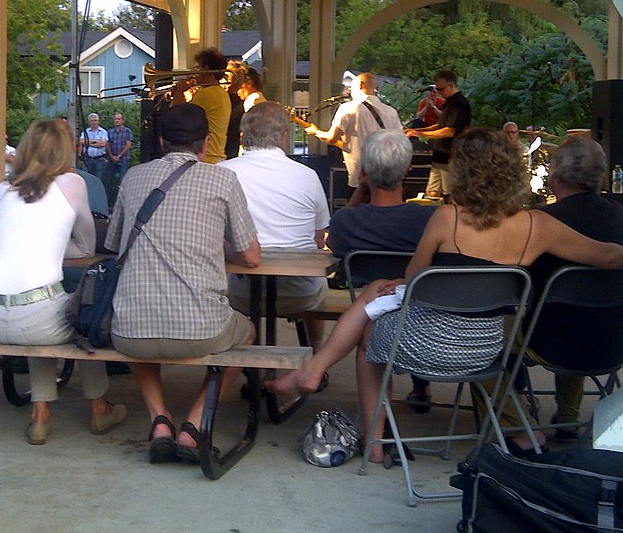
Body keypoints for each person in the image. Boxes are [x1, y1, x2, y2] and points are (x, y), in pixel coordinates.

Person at [268, 127, 623, 461]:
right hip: (489, 350)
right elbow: (607, 255)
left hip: (427, 346)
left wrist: (400, 284)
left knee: (370, 333)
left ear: (462, 171)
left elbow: (415, 279)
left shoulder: (447, 217)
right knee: (379, 302)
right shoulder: (538, 224)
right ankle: (323, 382)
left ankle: (373, 439)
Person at [105, 103, 260, 464]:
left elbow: (113, 243)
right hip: (201, 328)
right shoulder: (223, 180)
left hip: (128, 330)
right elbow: (251, 256)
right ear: (205, 143)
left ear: (161, 142)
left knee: (139, 321)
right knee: (249, 332)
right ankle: (193, 425)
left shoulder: (133, 177)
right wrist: (216, 242)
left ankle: (160, 421)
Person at [0, 119, 126, 445]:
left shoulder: (2, 189)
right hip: (36, 318)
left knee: (42, 311)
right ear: (64, 150)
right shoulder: (73, 183)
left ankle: (41, 413)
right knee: (82, 321)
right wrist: (52, 245)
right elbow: (86, 247)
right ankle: (99, 408)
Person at [523, 135, 623, 438]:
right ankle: (567, 416)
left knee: (501, 323)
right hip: (613, 343)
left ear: (555, 174)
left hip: (553, 345)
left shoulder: (543, 220)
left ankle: (517, 418)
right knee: (576, 309)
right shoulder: (618, 214)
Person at [326, 130, 437, 409]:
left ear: (364, 172)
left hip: (369, 312)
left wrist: (359, 192)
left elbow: (333, 239)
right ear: (407, 170)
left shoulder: (346, 221)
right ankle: (421, 386)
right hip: (422, 319)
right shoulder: (430, 219)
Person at [219, 101, 330, 350]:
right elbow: (318, 239)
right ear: (283, 136)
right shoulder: (308, 176)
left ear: (243, 136)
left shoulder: (220, 173)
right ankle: (316, 350)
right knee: (320, 289)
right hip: (300, 291)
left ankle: (242, 356)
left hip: (239, 291)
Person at [305, 72, 401, 188]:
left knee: (359, 198)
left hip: (360, 175)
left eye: (352, 86)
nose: (350, 90)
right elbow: (399, 142)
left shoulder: (348, 108)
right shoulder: (391, 112)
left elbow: (331, 139)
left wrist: (315, 131)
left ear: (360, 84)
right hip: (386, 174)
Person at [406, 69, 470, 199]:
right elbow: (440, 125)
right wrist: (416, 131)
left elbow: (449, 131)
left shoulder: (460, 103)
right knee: (432, 192)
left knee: (449, 193)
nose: (439, 92)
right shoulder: (449, 102)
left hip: (450, 155)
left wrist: (421, 135)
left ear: (451, 85)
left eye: (441, 89)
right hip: (439, 155)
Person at [171, 47, 231, 164]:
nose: (196, 72)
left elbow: (178, 118)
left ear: (206, 69)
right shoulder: (222, 93)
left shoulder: (206, 94)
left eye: (198, 68)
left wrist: (179, 92)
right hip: (216, 155)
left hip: (206, 156)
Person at [103, 111, 133, 203]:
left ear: (122, 120)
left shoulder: (127, 131)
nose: (117, 121)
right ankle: (107, 202)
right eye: (115, 119)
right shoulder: (110, 132)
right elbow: (107, 144)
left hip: (123, 159)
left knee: (122, 181)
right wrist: (111, 156)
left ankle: (122, 202)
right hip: (112, 159)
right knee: (108, 180)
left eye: (118, 119)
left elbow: (128, 145)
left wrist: (119, 156)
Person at [78, 113, 109, 179]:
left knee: (98, 179)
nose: (93, 122)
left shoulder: (103, 132)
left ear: (98, 121)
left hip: (99, 160)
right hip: (87, 159)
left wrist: (88, 143)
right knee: (86, 178)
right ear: (89, 122)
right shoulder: (85, 132)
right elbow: (82, 141)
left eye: (95, 120)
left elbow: (103, 144)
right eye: (91, 121)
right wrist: (96, 142)